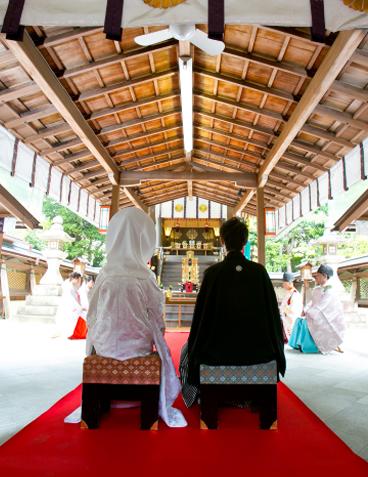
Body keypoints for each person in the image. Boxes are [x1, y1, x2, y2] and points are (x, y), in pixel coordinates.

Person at [86, 207, 187, 428]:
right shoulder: (145, 276)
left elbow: (91, 315)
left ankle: (99, 402)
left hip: (104, 348)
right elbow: (157, 320)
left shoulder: (105, 275)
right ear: (143, 240)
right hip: (137, 349)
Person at [180, 217, 286, 407]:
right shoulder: (259, 272)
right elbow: (273, 316)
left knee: (186, 350)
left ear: (222, 241)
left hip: (216, 354)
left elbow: (200, 320)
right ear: (244, 242)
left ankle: (208, 394)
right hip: (258, 354)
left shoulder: (213, 273)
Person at [289, 264, 345, 354]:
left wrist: (309, 312)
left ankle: (309, 346)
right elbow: (311, 302)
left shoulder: (330, 290)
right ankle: (298, 344)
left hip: (328, 318)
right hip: (316, 314)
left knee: (304, 323)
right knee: (298, 321)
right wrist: (305, 309)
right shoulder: (317, 289)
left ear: (325, 276)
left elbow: (322, 306)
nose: (316, 278)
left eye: (318, 276)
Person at [56, 272, 88, 339]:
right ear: (75, 278)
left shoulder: (74, 286)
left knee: (83, 316)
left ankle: (81, 333)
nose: (79, 281)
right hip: (70, 307)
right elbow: (71, 299)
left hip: (75, 306)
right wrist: (80, 307)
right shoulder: (69, 286)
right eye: (78, 279)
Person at [280, 272, 303, 341]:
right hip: (285, 320)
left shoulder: (295, 295)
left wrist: (283, 310)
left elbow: (294, 311)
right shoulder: (288, 293)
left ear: (290, 283)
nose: (283, 284)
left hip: (290, 322)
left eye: (284, 283)